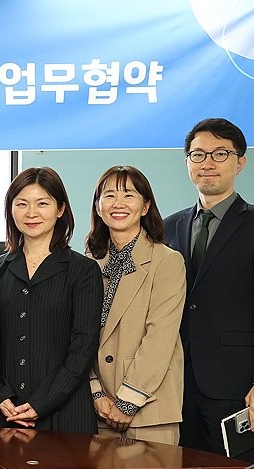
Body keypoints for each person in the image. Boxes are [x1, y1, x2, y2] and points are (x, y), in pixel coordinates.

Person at [163, 118, 254, 462]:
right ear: (187, 162)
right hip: (176, 385)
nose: (208, 162)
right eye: (198, 154)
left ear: (240, 162)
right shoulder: (169, 227)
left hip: (237, 389)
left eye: (220, 153)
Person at [0, 167, 100, 433]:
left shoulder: (83, 270)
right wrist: (1, 394)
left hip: (66, 414)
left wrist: (41, 403)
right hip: (6, 412)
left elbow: (83, 347)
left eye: (42, 203)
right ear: (11, 210)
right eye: (21, 204)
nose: (31, 213)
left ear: (60, 209)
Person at [85, 166, 185, 445]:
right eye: (109, 195)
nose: (118, 203)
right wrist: (95, 392)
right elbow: (80, 333)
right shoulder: (89, 262)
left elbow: (160, 338)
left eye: (129, 195)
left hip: (149, 408)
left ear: (146, 206)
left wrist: (127, 401)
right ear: (98, 207)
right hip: (99, 409)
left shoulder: (167, 260)